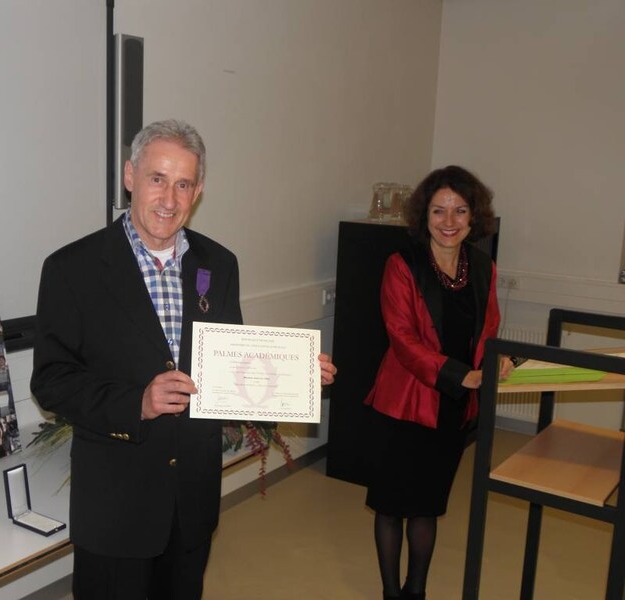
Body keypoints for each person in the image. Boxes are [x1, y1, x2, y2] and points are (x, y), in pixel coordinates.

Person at [30, 119, 336, 599]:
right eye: (157, 179)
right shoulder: (72, 268)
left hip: (191, 501)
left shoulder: (219, 264)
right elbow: (52, 380)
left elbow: (231, 368)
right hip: (115, 508)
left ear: (198, 191)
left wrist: (294, 378)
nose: (169, 199)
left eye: (183, 184)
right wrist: (137, 402)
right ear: (130, 176)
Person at [362, 166, 513, 600]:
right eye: (438, 210)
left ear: (473, 216)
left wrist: (495, 361)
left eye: (460, 210)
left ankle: (417, 591)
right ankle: (391, 593)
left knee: (428, 505)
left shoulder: (482, 266)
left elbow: (488, 329)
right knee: (392, 505)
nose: (449, 221)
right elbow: (402, 339)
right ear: (423, 215)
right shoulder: (402, 264)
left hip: (453, 406)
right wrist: (458, 373)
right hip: (405, 404)